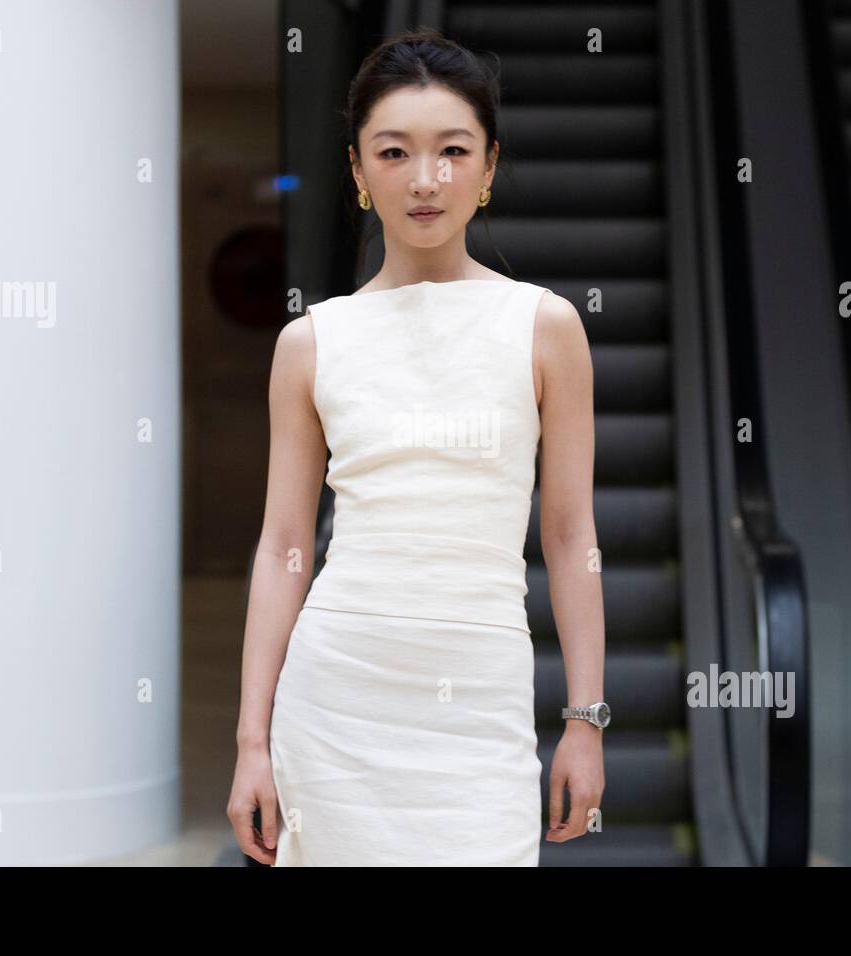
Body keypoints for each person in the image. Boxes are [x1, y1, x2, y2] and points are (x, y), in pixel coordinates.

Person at [227, 26, 606, 866]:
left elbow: (572, 534)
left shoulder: (545, 328)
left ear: (489, 167)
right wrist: (254, 741)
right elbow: (285, 546)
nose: (426, 180)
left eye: (453, 150)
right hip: (337, 701)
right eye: (394, 152)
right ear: (359, 174)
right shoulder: (312, 342)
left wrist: (586, 718)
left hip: (479, 706)